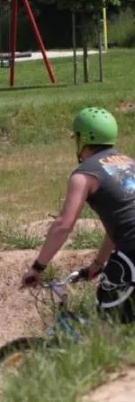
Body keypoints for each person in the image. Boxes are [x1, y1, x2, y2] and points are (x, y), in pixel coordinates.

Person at [22, 107, 135, 323]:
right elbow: (119, 225)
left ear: (83, 140)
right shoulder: (130, 164)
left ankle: (109, 355)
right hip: (129, 247)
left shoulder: (85, 174)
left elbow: (64, 224)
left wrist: (37, 268)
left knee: (109, 321)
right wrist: (98, 264)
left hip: (132, 252)